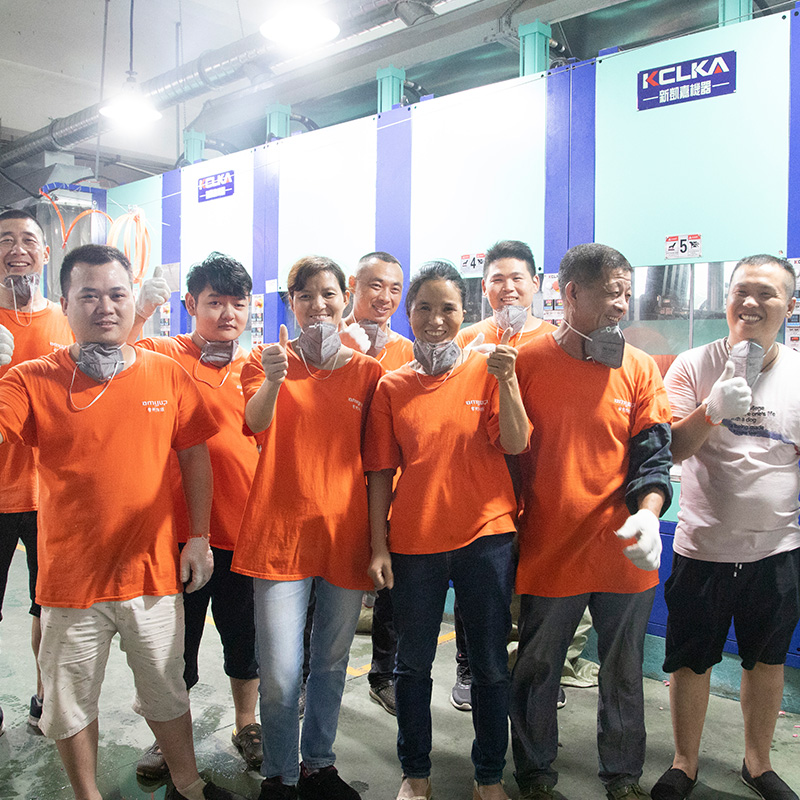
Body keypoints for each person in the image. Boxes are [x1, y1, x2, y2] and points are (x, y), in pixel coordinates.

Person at [0, 243, 245, 800]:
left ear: (133, 299)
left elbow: (195, 456)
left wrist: (199, 537)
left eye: (117, 294)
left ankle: (188, 784)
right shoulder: (31, 379)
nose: (105, 306)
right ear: (64, 303)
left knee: (167, 691)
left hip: (150, 575)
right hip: (70, 582)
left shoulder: (166, 374)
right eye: (88, 295)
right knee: (69, 701)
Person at [510, 243, 673, 800]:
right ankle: (535, 775)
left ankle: (623, 777)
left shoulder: (639, 367)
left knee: (623, 670)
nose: (621, 306)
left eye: (626, 294)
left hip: (623, 548)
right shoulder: (527, 363)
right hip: (549, 547)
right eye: (610, 293)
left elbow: (653, 456)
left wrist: (649, 515)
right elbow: (505, 459)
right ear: (571, 293)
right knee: (537, 667)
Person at [365, 260, 530, 800]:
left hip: (486, 538)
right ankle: (416, 773)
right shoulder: (392, 386)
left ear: (466, 312)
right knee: (412, 665)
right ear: (409, 313)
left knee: (490, 664)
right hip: (415, 543)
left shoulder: (489, 368)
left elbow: (515, 442)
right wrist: (378, 546)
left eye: (448, 308)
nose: (436, 320)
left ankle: (489, 776)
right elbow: (380, 473)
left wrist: (508, 380)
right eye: (424, 308)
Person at [232, 255, 383, 800]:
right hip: (279, 537)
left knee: (331, 663)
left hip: (345, 537)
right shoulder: (265, 360)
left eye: (328, 294)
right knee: (279, 673)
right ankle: (281, 773)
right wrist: (274, 380)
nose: (318, 305)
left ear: (345, 300)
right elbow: (255, 423)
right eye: (305, 296)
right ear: (290, 304)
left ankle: (318, 763)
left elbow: (378, 463)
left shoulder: (368, 373)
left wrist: (379, 544)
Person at [651, 254, 800, 800]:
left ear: (789, 306)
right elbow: (672, 450)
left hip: (777, 549)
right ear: (727, 299)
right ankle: (684, 762)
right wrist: (711, 410)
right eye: (741, 291)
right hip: (703, 546)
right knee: (691, 660)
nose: (751, 303)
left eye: (767, 294)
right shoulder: (693, 365)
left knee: (767, 660)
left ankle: (757, 764)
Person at [131, 253, 262, 777]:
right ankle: (168, 739)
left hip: (243, 532)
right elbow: (119, 352)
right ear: (190, 304)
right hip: (177, 536)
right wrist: (140, 312)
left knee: (244, 639)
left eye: (238, 303)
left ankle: (247, 724)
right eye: (214, 302)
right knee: (174, 647)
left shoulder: (256, 365)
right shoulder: (165, 354)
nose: (228, 313)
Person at [453, 239, 557, 712]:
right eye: (497, 279)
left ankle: (533, 674)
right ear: (484, 287)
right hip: (481, 488)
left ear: (536, 283)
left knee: (537, 586)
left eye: (517, 278)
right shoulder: (468, 339)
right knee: (478, 586)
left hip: (542, 483)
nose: (508, 288)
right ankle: (469, 668)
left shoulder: (556, 340)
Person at [0, 209, 73, 733]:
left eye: (28, 239)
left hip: (53, 496)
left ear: (46, 253)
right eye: (5, 240)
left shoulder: (67, 320)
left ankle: (45, 696)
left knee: (48, 607)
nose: (17, 249)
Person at [341, 250, 413, 717]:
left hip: (389, 488)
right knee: (323, 592)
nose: (385, 297)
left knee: (390, 593)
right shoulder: (328, 342)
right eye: (375, 285)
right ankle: (305, 678)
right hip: (338, 486)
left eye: (394, 289)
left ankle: (383, 674)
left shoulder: (407, 350)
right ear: (353, 286)